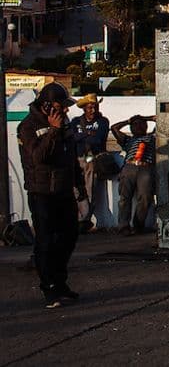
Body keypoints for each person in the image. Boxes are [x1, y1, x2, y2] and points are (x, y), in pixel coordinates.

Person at [17, 83, 84, 308]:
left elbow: (71, 158)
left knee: (69, 236)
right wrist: (53, 131)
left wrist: (80, 187)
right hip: (42, 191)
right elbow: (38, 157)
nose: (65, 111)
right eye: (59, 106)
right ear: (46, 106)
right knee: (46, 240)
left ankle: (60, 281)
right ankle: (49, 287)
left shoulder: (64, 125)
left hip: (64, 189)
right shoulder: (27, 127)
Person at [67, 92, 111, 232]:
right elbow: (72, 138)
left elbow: (98, 139)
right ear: (84, 108)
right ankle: (79, 217)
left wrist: (81, 136)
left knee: (90, 187)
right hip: (77, 157)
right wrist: (87, 134)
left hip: (92, 158)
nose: (93, 110)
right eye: (90, 107)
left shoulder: (103, 121)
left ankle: (85, 218)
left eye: (95, 107)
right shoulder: (75, 121)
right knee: (75, 189)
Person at [111, 115, 156, 234]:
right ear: (131, 128)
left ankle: (138, 225)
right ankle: (123, 226)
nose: (139, 126)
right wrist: (128, 121)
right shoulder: (127, 140)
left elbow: (161, 120)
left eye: (142, 124)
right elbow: (114, 128)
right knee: (125, 197)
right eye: (135, 125)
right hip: (129, 167)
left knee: (145, 197)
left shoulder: (152, 138)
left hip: (146, 167)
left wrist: (145, 118)